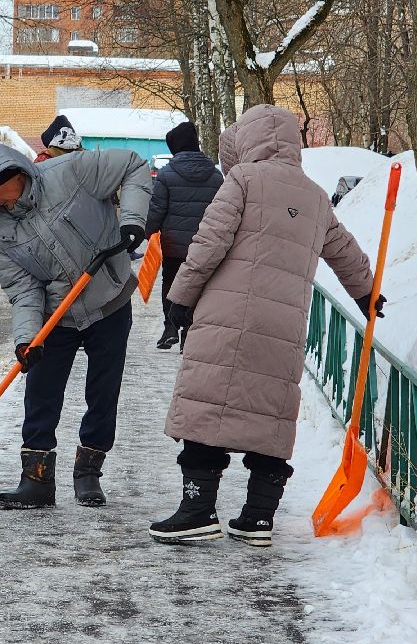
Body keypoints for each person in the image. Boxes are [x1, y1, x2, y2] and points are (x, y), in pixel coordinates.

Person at [148, 105, 383, 546]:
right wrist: (366, 293)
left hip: (226, 317)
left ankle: (197, 511)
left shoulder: (242, 181)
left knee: (207, 411)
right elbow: (344, 250)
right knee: (271, 417)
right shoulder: (314, 195)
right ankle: (257, 518)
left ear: (247, 141)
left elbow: (209, 242)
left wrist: (179, 298)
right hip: (285, 324)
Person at [0, 140, 152, 508]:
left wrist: (132, 220)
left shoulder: (71, 172)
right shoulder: (0, 235)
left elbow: (133, 165)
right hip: (57, 315)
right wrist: (27, 339)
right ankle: (36, 479)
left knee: (102, 389)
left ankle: (89, 473)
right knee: (41, 391)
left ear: (11, 174)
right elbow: (23, 289)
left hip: (109, 299)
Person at [144, 121, 223, 350]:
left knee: (171, 282)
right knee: (197, 285)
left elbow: (157, 209)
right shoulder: (216, 177)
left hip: (172, 245)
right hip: (204, 245)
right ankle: (189, 330)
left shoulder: (166, 175)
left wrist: (150, 233)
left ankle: (170, 328)